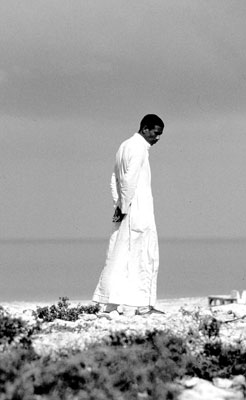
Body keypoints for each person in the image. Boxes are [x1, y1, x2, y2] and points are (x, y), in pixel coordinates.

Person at [93, 114, 165, 316]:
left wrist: (118, 204)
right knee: (144, 257)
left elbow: (114, 177)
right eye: (155, 133)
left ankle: (112, 304)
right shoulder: (138, 148)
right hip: (137, 210)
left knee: (120, 256)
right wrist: (123, 206)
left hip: (127, 209)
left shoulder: (124, 146)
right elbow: (128, 180)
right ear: (145, 129)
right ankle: (142, 306)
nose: (157, 138)